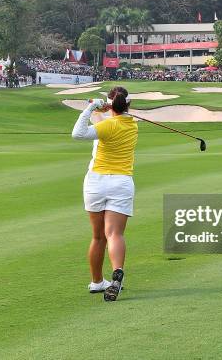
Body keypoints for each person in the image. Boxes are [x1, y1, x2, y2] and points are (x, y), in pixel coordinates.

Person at [71, 87, 138, 302]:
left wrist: (91, 107)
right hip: (121, 183)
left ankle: (97, 282)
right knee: (114, 235)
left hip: (95, 183)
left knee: (98, 236)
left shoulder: (106, 126)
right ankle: (116, 272)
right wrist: (107, 108)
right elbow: (111, 121)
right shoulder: (132, 125)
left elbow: (78, 133)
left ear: (110, 105)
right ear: (128, 105)